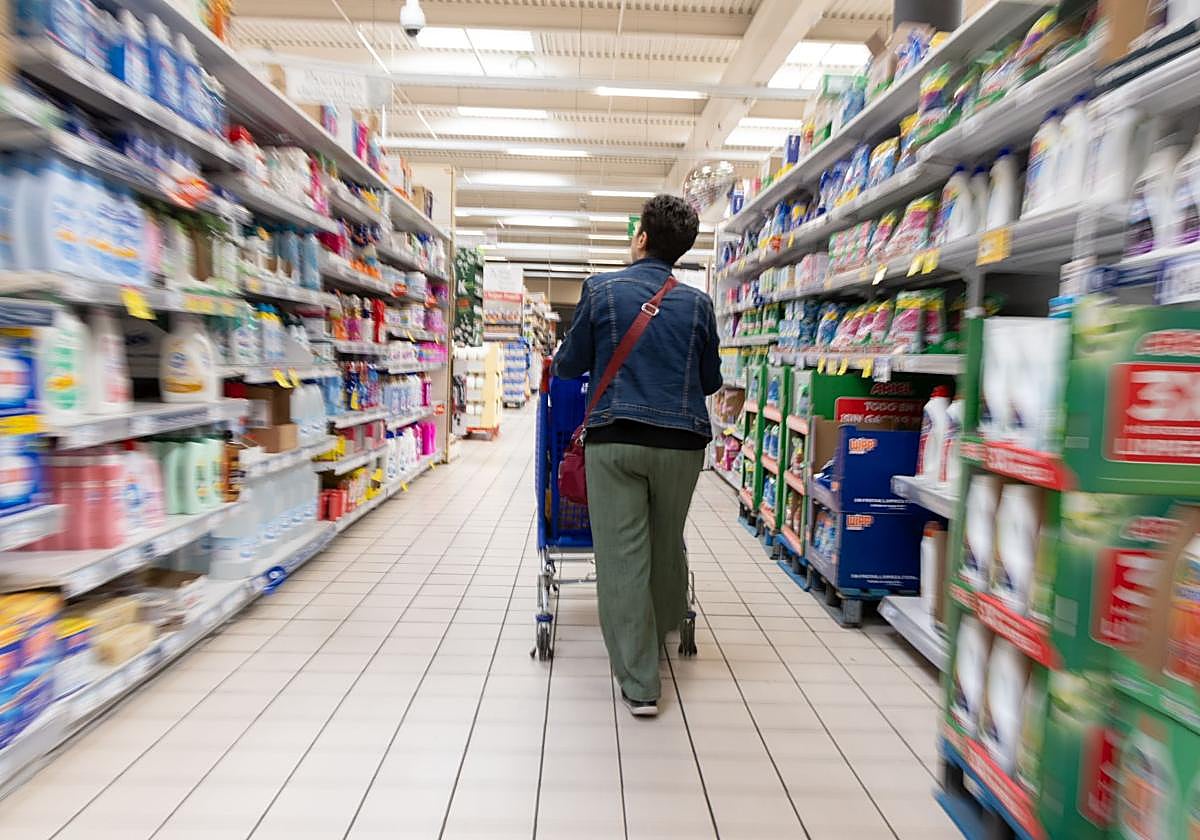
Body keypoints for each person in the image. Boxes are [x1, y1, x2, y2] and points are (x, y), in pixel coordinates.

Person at [553, 194, 722, 717]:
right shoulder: (699, 304)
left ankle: (641, 682)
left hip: (617, 441)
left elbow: (569, 365)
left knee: (623, 556)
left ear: (642, 238)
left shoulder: (601, 289)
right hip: (682, 447)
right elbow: (711, 380)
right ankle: (663, 625)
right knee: (664, 540)